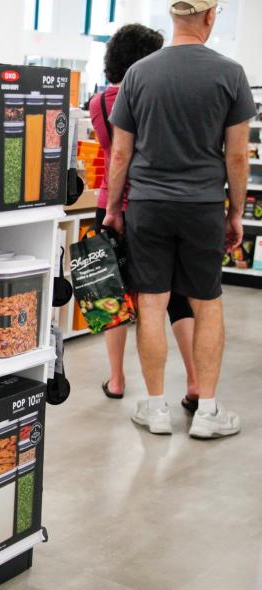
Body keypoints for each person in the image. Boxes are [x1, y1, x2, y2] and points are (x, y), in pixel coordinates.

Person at [104, 0, 254, 438]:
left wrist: (115, 209)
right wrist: (236, 213)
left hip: (148, 205)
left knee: (151, 302)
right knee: (207, 302)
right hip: (203, 206)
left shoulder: (138, 74)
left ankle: (154, 408)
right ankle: (207, 412)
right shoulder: (231, 74)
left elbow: (120, 153)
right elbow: (239, 155)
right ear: (210, 16)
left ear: (173, 18)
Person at [89, 23, 199, 411]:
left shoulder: (100, 104)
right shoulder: (159, 96)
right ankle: (195, 381)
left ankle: (117, 380)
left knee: (112, 296)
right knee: (177, 297)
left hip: (111, 203)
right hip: (156, 202)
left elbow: (115, 152)